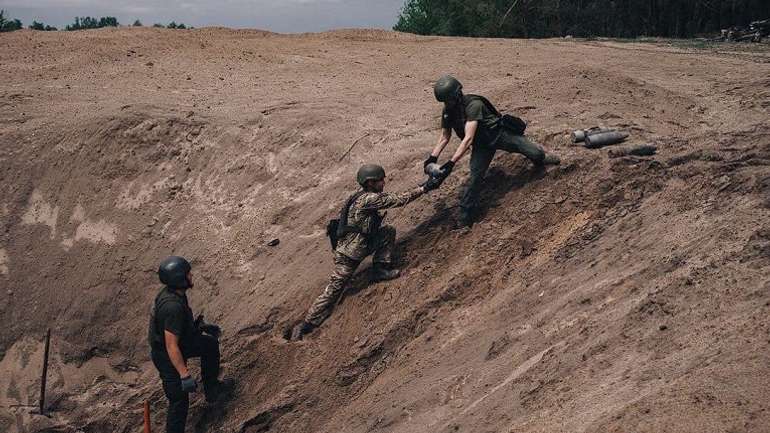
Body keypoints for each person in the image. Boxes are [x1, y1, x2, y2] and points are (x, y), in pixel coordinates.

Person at [291, 164, 442, 340]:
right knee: (334, 288)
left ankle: (380, 269)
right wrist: (425, 188)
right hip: (349, 255)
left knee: (388, 232)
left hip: (357, 245)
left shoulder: (359, 196)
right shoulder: (368, 199)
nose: (384, 182)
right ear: (370, 183)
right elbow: (398, 199)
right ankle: (307, 324)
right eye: (380, 180)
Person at [426, 75, 561, 228]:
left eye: (448, 100)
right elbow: (445, 136)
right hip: (482, 146)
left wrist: (451, 163)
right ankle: (465, 216)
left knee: (535, 153)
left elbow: (468, 138)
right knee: (475, 177)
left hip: (499, 135)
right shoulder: (448, 111)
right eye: (444, 101)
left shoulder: (473, 105)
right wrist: (432, 158)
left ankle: (541, 158)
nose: (446, 104)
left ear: (457, 95)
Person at [148, 256, 232, 433]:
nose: (191, 276)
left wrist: (197, 328)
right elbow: (171, 345)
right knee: (179, 399)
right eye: (188, 274)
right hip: (167, 355)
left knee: (209, 345)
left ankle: (212, 389)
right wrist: (184, 375)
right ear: (179, 279)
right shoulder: (172, 307)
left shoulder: (175, 294)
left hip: (180, 344)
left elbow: (177, 329)